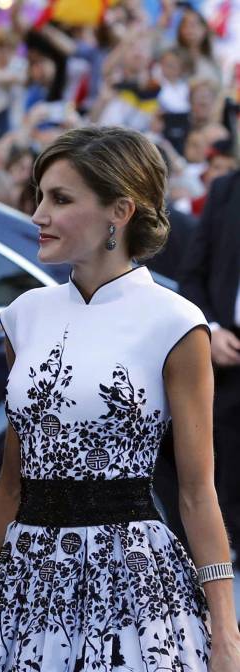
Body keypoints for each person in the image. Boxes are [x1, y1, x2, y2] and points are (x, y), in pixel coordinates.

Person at [0, 126, 240, 672]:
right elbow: (10, 485)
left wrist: (226, 634)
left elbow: (196, 492)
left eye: (61, 199)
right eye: (40, 196)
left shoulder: (176, 322)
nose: (38, 215)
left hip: (135, 590)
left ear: (118, 211)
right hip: (26, 586)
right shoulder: (24, 316)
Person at [179, 166, 240, 567]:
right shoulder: (225, 190)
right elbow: (192, 275)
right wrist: (212, 330)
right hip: (229, 350)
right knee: (227, 454)